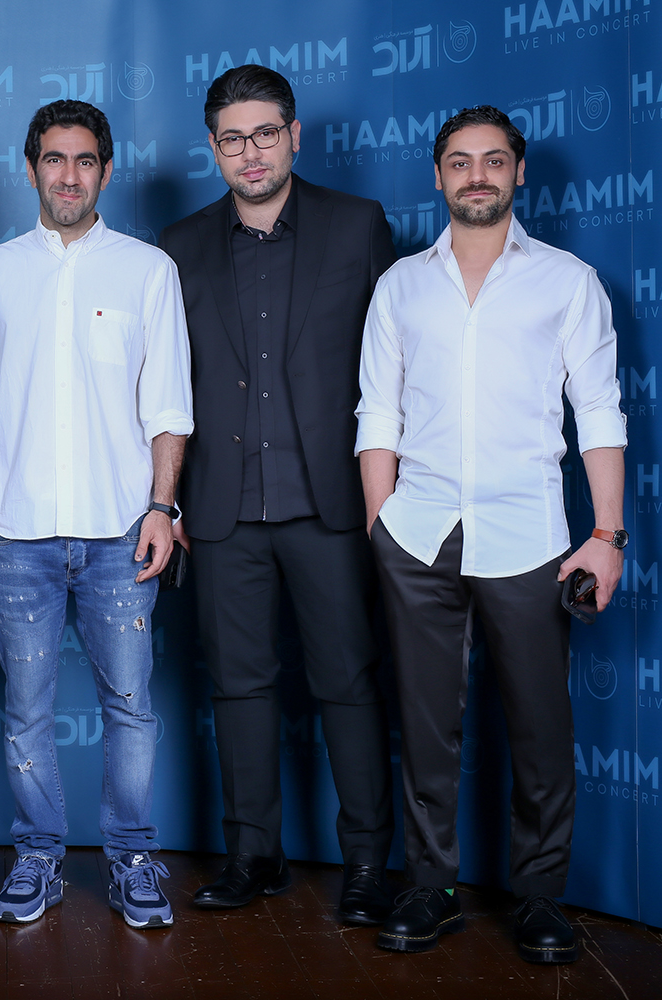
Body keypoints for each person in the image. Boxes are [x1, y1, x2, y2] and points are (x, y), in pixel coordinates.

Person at [356, 105, 626, 963]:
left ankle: (540, 896)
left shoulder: (568, 282)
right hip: (418, 533)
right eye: (461, 162)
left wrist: (607, 533)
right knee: (425, 723)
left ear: (518, 172)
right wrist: (380, 527)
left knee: (540, 727)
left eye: (494, 160)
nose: (478, 175)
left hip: (530, 537)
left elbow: (599, 411)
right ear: (438, 176)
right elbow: (378, 413)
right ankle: (429, 887)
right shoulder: (400, 285)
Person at [159, 64, 397, 925]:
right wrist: (170, 500)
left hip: (334, 506)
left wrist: (390, 494)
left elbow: (398, 366)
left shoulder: (357, 225)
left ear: (294, 136)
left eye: (265, 134)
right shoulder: (178, 245)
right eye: (232, 139)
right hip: (223, 512)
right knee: (238, 689)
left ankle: (367, 862)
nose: (250, 153)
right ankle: (252, 854)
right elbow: (164, 387)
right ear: (213, 148)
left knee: (349, 685)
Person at [0, 100, 193, 929]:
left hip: (122, 530)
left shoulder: (148, 270)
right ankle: (38, 858)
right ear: (31, 169)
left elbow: (168, 405)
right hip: (17, 534)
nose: (68, 175)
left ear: (106, 171)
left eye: (85, 160)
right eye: (54, 159)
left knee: (131, 708)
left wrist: (161, 506)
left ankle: (133, 859)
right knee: (25, 712)